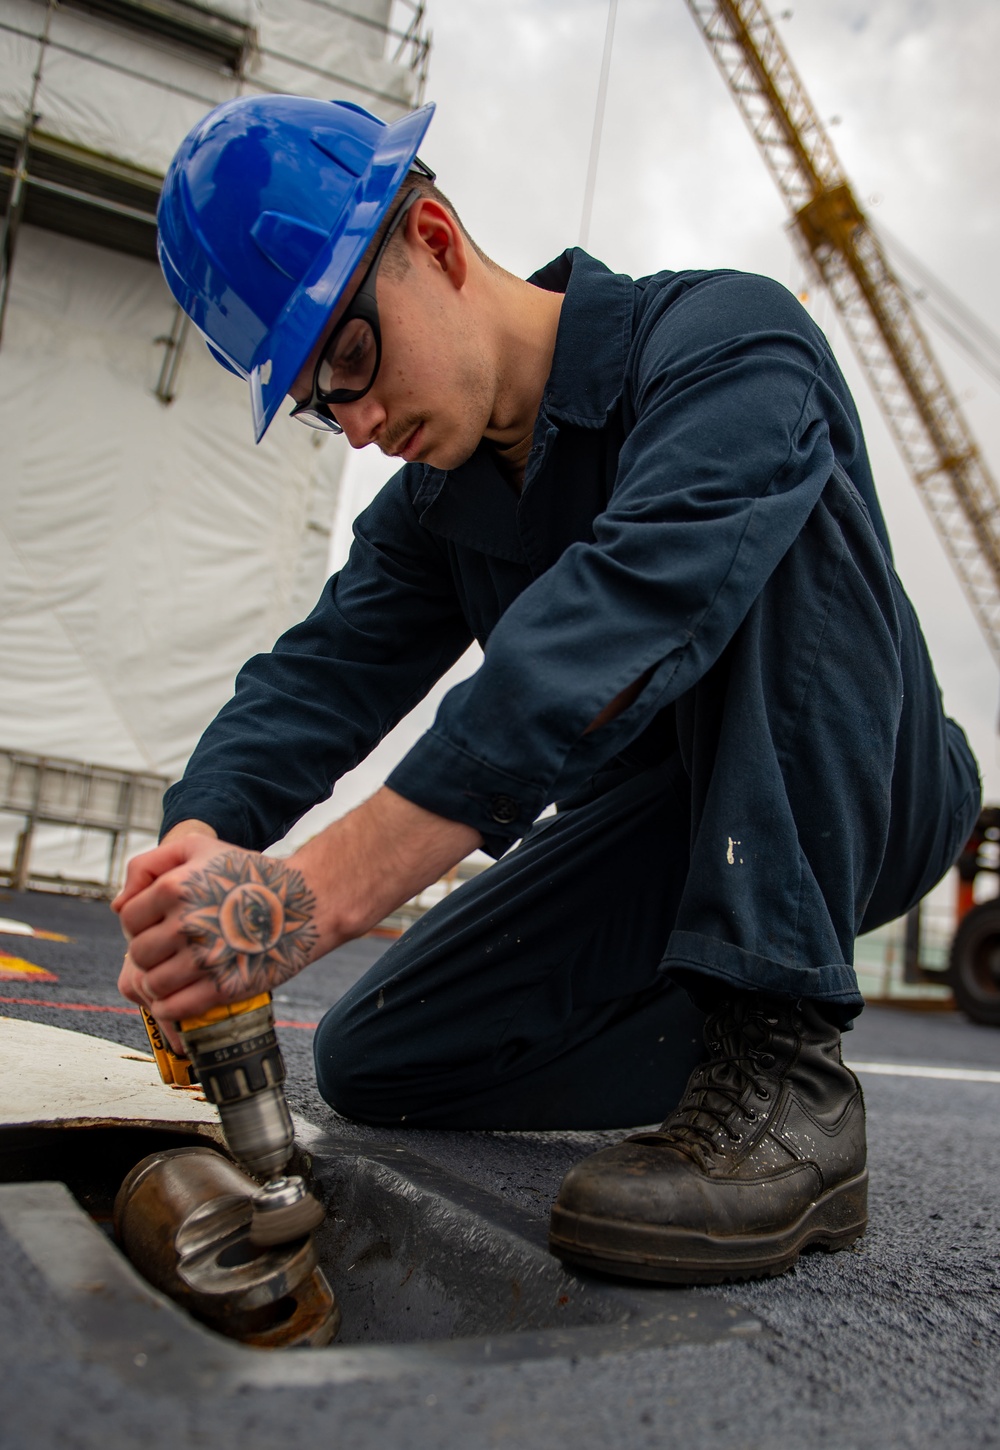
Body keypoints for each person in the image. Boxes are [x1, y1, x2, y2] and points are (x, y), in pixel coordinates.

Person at [116, 95, 981, 1284]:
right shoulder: (437, 503)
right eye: (321, 404)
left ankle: (783, 1060)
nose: (359, 421)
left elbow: (622, 610)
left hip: (866, 786)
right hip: (672, 835)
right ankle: (721, 1030)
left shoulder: (726, 338)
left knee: (759, 512)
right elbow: (315, 678)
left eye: (353, 358)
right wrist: (192, 855)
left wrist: (305, 896)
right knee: (381, 1055)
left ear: (432, 240)